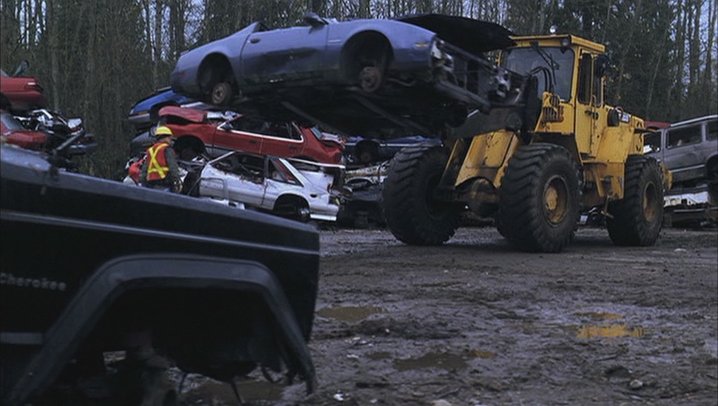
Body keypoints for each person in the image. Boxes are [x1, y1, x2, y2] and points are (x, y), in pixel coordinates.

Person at [140, 125, 181, 192]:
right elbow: (172, 165)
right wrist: (177, 180)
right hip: (164, 182)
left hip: (151, 183)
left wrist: (142, 181)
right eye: (169, 138)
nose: (171, 140)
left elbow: (145, 167)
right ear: (164, 137)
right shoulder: (167, 149)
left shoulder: (150, 150)